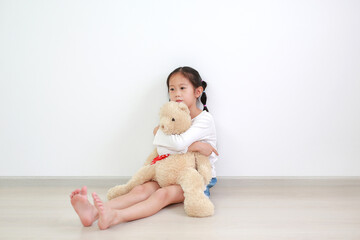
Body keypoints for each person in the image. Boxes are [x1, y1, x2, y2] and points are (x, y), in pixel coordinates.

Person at [70, 66, 219, 230]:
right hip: (168, 172)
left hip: (194, 178)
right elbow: (163, 148)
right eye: (172, 89)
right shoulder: (170, 118)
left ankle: (116, 216)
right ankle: (93, 212)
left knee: (162, 194)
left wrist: (169, 140)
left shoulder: (204, 119)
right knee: (140, 190)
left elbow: (174, 144)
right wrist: (196, 146)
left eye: (182, 88)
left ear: (197, 91)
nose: (177, 93)